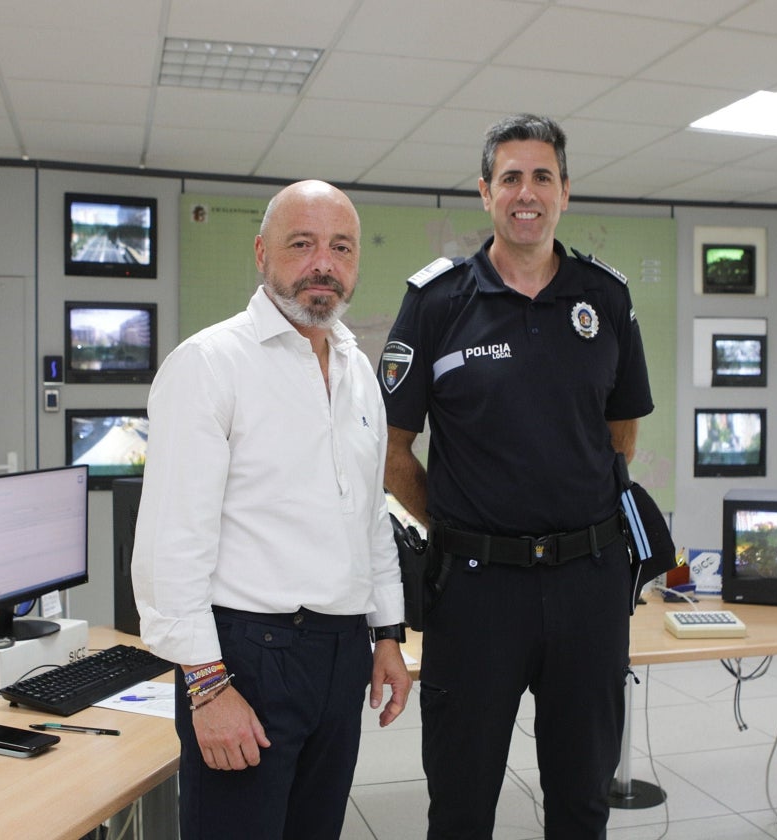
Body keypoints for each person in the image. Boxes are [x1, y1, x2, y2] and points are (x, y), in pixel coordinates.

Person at [379, 114, 654, 839]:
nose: (525, 193)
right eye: (510, 178)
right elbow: (391, 447)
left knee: (582, 801)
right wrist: (459, 523)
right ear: (484, 192)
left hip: (588, 584)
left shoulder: (607, 299)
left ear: (565, 191)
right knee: (462, 805)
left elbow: (620, 432)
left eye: (542, 177)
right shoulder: (436, 303)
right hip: (474, 591)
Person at [131, 179, 411, 840]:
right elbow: (172, 541)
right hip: (247, 659)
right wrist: (206, 686)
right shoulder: (209, 364)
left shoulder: (357, 370)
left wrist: (389, 634)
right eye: (302, 244)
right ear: (262, 254)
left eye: (341, 247)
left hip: (342, 654)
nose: (324, 263)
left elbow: (370, 516)